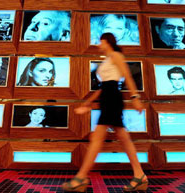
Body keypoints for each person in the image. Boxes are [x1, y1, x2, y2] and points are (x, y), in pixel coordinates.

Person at [62, 33, 147, 192]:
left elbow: (126, 76)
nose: (98, 44)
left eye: (100, 41)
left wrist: (135, 97)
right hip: (108, 97)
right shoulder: (107, 59)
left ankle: (81, 178)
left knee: (98, 138)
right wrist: (89, 102)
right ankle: (139, 175)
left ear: (106, 41)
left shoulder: (116, 55)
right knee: (122, 137)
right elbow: (103, 86)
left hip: (113, 98)